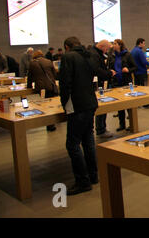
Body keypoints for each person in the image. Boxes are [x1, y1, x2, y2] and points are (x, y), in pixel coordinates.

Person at [59, 37, 99, 195]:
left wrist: (66, 105)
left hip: (77, 105)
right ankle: (93, 175)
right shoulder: (88, 55)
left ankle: (82, 181)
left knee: (72, 144)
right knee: (88, 139)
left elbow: (65, 84)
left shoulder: (68, 57)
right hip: (90, 102)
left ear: (67, 47)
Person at [88, 40, 115, 138]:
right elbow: (97, 70)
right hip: (98, 85)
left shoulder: (95, 53)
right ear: (102, 46)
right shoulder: (94, 55)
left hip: (100, 83)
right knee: (101, 107)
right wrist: (109, 73)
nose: (107, 51)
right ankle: (101, 129)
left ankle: (101, 128)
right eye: (107, 49)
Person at [108, 39, 137, 131]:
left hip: (126, 82)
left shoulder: (127, 55)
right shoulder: (111, 56)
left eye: (115, 43)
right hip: (116, 82)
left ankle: (131, 124)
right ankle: (122, 124)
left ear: (120, 45)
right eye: (113, 43)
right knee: (119, 105)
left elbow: (135, 67)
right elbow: (109, 67)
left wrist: (128, 70)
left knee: (129, 104)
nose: (114, 45)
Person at [27, 50, 58, 132]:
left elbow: (30, 76)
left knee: (45, 105)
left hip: (41, 87)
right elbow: (55, 74)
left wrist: (29, 86)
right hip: (51, 86)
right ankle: (53, 121)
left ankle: (49, 124)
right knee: (52, 104)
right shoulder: (48, 61)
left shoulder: (32, 63)